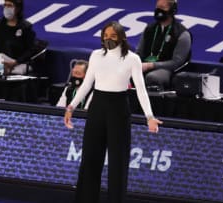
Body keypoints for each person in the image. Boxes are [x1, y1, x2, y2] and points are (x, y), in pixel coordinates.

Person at [64, 21, 162, 203]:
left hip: (118, 108)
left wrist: (149, 116)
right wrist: (71, 106)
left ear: (122, 38)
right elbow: (87, 85)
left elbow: (141, 89)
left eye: (113, 36)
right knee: (90, 158)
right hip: (97, 106)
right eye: (105, 36)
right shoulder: (95, 56)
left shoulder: (132, 59)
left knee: (118, 162)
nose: (108, 39)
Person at [136, 0, 192, 90]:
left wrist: (151, 65)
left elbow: (176, 63)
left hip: (168, 69)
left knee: (153, 77)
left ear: (172, 10)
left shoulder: (182, 34)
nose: (158, 11)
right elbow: (139, 52)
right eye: (157, 8)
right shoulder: (149, 29)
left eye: (162, 8)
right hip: (145, 65)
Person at [0, 0, 36, 75]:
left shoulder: (25, 27)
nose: (6, 8)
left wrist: (16, 62)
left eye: (10, 5)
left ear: (18, 8)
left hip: (20, 62)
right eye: (5, 5)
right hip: (2, 60)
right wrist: (0, 61)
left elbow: (31, 50)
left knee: (14, 72)